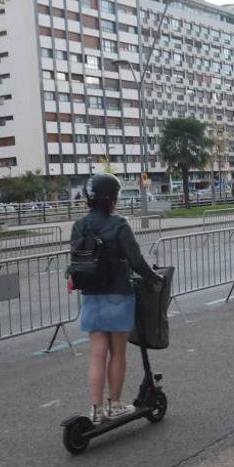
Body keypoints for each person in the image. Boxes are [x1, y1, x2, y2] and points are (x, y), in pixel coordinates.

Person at [70, 174, 161, 425]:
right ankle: (115, 404)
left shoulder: (79, 226)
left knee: (97, 353)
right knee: (117, 352)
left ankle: (96, 409)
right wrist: (154, 278)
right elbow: (136, 261)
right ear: (111, 198)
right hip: (119, 294)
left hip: (91, 297)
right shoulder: (119, 224)